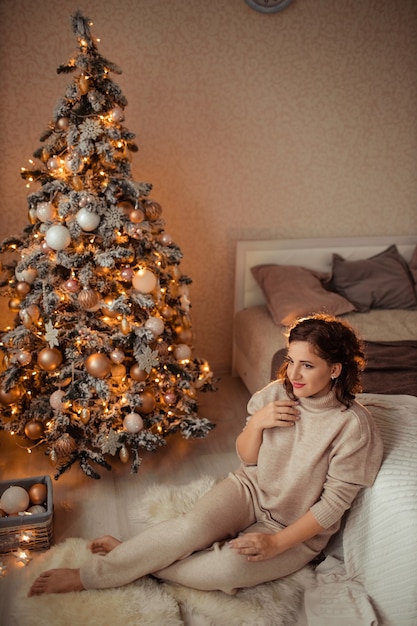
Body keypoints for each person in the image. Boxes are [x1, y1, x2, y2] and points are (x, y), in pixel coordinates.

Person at [29, 313, 383, 597]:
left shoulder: (352, 427)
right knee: (189, 529)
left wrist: (276, 543)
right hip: (249, 491)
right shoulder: (277, 394)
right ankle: (91, 576)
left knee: (227, 570)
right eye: (291, 361)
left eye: (307, 365)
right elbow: (247, 458)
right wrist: (257, 424)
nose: (293, 374)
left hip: (295, 530)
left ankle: (135, 558)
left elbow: (332, 505)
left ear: (335, 369)